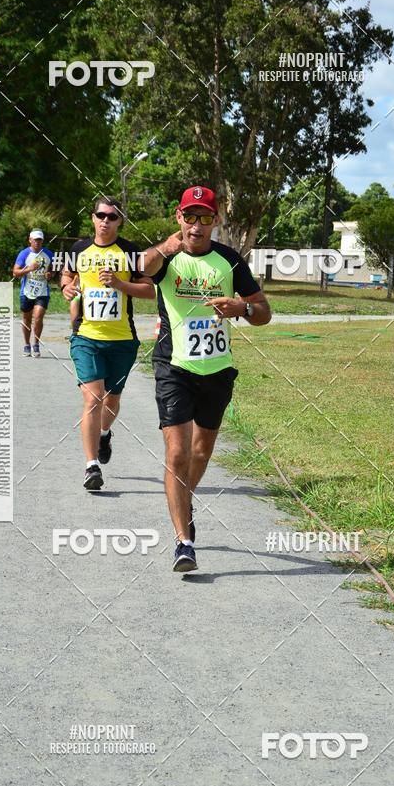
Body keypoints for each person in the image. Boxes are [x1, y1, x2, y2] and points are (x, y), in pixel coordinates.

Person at [139, 185, 271, 572]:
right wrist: (165, 247)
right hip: (173, 367)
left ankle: (184, 500)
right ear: (178, 217)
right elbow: (142, 267)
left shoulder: (229, 261)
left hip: (216, 370)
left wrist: (241, 307)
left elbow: (265, 312)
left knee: (200, 452)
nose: (197, 225)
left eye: (205, 217)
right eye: (190, 216)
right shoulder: (168, 257)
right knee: (177, 453)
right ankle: (184, 541)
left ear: (216, 221)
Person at [60, 197, 155, 490]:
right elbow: (66, 275)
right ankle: (91, 466)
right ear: (93, 218)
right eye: (101, 215)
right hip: (86, 336)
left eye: (112, 217)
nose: (105, 220)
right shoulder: (78, 249)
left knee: (111, 400)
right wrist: (67, 286)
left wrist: (119, 284)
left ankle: (104, 434)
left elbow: (149, 291)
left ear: (119, 221)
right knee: (93, 398)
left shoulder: (130, 252)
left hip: (122, 340)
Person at [13, 229, 54, 357]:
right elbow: (15, 273)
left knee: (38, 317)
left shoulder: (48, 254)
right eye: (35, 240)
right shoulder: (24, 254)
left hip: (42, 291)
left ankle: (36, 343)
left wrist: (50, 274)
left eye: (40, 240)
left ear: (42, 241)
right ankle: (26, 344)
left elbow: (54, 271)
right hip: (26, 291)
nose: (37, 242)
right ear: (30, 240)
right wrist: (29, 269)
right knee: (26, 319)